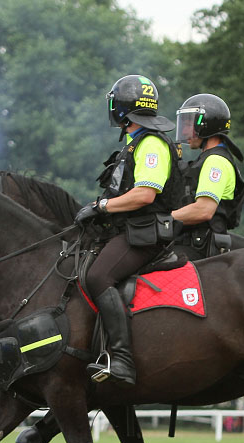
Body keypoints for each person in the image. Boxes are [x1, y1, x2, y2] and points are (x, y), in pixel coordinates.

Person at [74, 74, 184, 385]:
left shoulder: (150, 144)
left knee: (98, 276)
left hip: (145, 233)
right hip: (129, 230)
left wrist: (101, 207)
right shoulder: (134, 142)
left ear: (121, 110)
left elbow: (145, 194)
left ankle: (121, 358)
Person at [170, 93, 244, 260]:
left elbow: (204, 210)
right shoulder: (206, 159)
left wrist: (161, 221)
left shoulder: (216, 162)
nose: (184, 130)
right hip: (192, 242)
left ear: (205, 126)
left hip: (201, 247)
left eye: (188, 124)